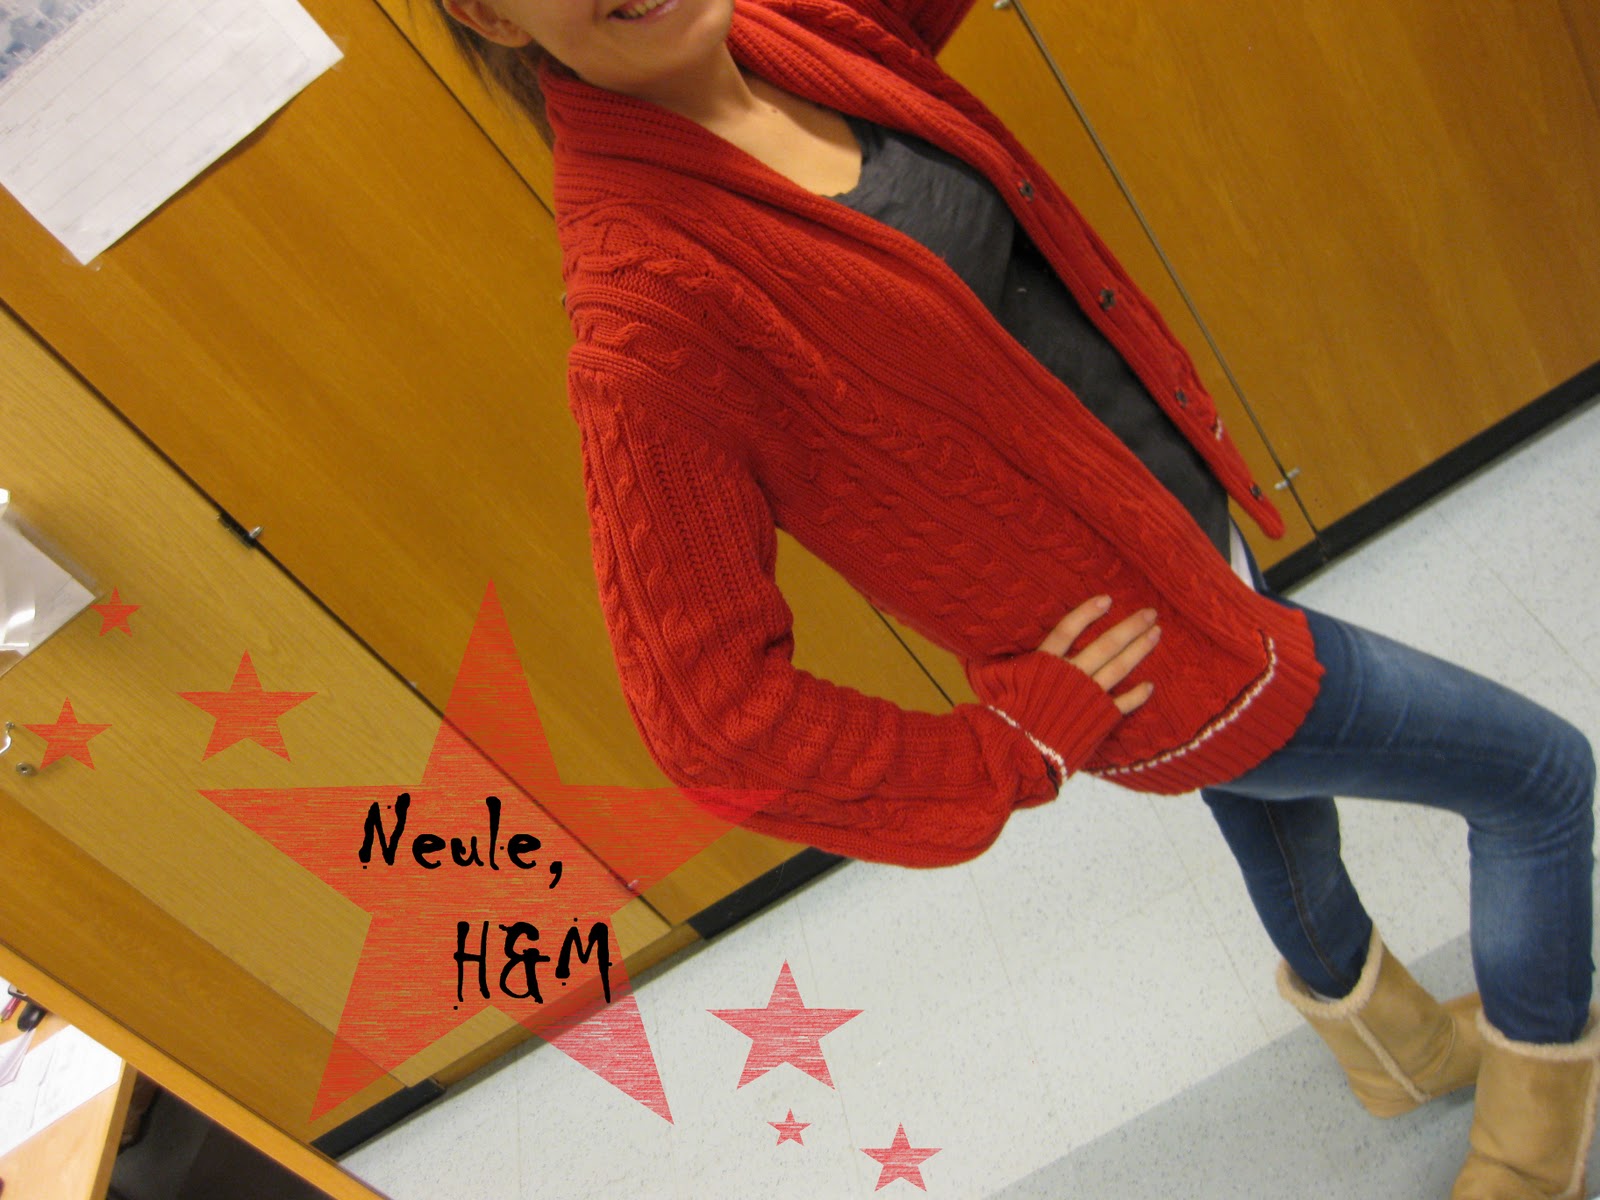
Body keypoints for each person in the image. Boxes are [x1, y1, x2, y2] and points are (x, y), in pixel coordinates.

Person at [436, 1, 1598, 1195]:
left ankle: (1399, 1059)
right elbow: (709, 717)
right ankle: (1528, 1154)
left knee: (1278, 813)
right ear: (487, 12)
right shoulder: (649, 303)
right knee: (1540, 780)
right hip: (1160, 661)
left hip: (1187, 540)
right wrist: (1007, 751)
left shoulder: (796, 28)